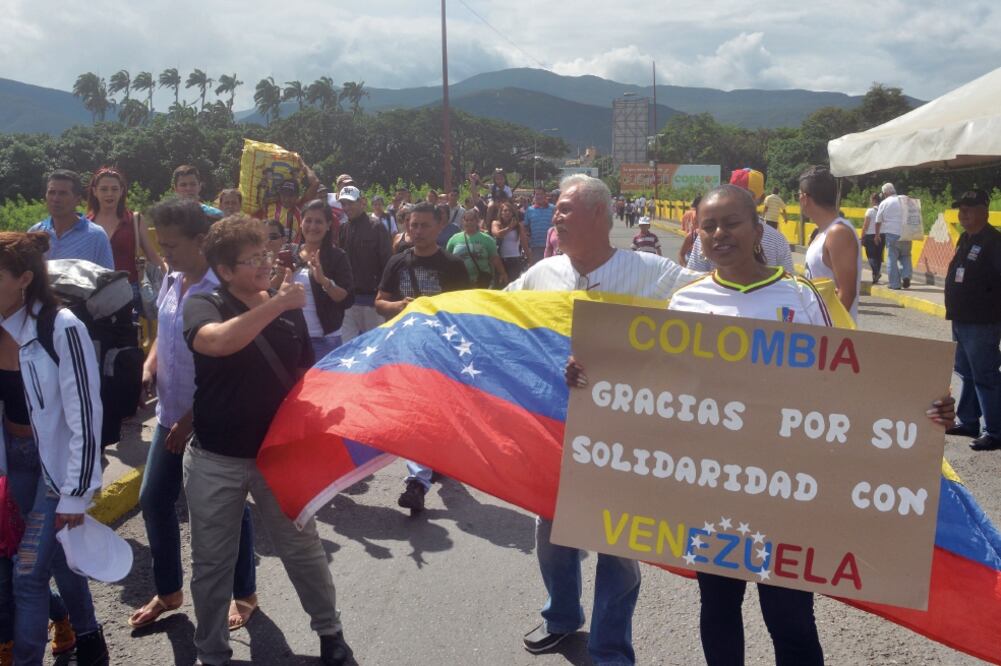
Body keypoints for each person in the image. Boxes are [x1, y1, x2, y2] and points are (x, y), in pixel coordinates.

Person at [565, 184, 956, 666]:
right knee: (719, 608)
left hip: (787, 489)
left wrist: (923, 408)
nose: (718, 233)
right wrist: (593, 379)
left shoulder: (802, 297)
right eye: (708, 225)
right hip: (712, 487)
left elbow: (848, 387)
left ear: (757, 229)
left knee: (790, 617)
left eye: (730, 222)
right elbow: (654, 390)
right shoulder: (686, 302)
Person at [507, 174, 700, 666]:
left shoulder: (652, 274)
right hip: (556, 432)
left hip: (624, 440)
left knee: (617, 547)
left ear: (600, 215)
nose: (556, 216)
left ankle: (610, 649)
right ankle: (562, 618)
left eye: (567, 209)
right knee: (552, 533)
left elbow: (714, 313)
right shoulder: (541, 274)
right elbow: (495, 317)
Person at [182, 215, 353, 666]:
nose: (263, 263)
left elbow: (300, 376)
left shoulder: (285, 307)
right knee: (212, 562)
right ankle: (212, 651)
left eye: (264, 253)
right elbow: (217, 343)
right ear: (224, 270)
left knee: (302, 548)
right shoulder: (204, 303)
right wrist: (277, 304)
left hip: (276, 456)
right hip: (215, 457)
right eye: (251, 258)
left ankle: (330, 632)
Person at [129, 199, 261, 634]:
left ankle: (244, 593)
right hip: (170, 416)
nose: (164, 253)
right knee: (152, 501)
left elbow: (232, 366)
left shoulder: (222, 291)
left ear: (201, 241)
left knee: (226, 511)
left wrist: (192, 418)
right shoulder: (171, 277)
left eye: (172, 245)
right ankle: (169, 591)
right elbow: (165, 336)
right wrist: (150, 366)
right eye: (159, 243)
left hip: (210, 422)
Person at [0, 232, 109, 666]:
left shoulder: (61, 327)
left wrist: (76, 492)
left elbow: (87, 414)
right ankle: (89, 635)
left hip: (57, 471)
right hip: (16, 463)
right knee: (58, 559)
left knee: (27, 576)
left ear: (24, 278)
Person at [375, 202, 469, 512]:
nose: (417, 231)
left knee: (436, 412)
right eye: (412, 225)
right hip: (407, 348)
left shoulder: (453, 265)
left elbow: (465, 311)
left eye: (424, 226)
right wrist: (400, 306)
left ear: (439, 227)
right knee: (417, 412)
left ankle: (432, 461)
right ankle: (417, 481)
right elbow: (380, 303)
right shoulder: (397, 263)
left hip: (441, 350)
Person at [944, 189, 1001, 451]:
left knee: (985, 375)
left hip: (982, 321)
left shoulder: (994, 242)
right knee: (966, 373)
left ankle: (995, 430)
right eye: (960, 208)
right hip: (961, 318)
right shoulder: (965, 239)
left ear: (984, 211)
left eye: (968, 208)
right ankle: (969, 421)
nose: (962, 213)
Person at [85, 166, 166, 315]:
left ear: (122, 191)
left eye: (114, 189)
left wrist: (171, 281)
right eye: (104, 189)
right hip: (94, 292)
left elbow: (151, 255)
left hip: (129, 291)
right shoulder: (85, 224)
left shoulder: (134, 220)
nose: (109, 194)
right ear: (94, 191)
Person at [289, 200, 355, 359]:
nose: (312, 226)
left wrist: (324, 281)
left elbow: (346, 299)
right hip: (291, 338)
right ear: (301, 222)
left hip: (323, 340)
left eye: (319, 221)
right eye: (308, 220)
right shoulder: (288, 253)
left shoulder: (337, 257)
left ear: (328, 225)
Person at [799, 166, 861, 320]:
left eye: (798, 195)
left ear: (804, 199)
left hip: (830, 336)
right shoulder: (823, 232)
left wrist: (826, 330)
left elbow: (846, 293)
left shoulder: (838, 233)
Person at [337, 185, 392, 342]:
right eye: (343, 204)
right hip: (348, 301)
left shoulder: (377, 227)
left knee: (374, 347)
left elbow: (388, 264)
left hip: (371, 301)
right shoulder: (343, 229)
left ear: (362, 202)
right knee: (347, 349)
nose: (346, 207)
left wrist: (383, 297)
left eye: (350, 203)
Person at [28, 170, 114, 269]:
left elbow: (109, 279)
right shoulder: (34, 233)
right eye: (51, 192)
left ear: (77, 200)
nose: (55, 199)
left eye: (63, 193)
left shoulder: (95, 236)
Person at [446, 208, 508, 288]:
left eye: (472, 220)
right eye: (466, 220)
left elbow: (495, 258)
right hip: (460, 282)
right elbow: (448, 258)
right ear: (462, 221)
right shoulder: (454, 239)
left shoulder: (487, 239)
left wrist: (503, 273)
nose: (469, 222)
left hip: (481, 282)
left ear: (477, 221)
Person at [874, 182, 913, 290]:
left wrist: (877, 235)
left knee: (892, 258)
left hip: (892, 234)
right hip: (907, 232)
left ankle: (895, 284)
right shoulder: (904, 198)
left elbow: (878, 221)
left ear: (885, 193)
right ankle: (906, 276)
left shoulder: (884, 203)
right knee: (906, 256)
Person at [492, 200, 530, 282]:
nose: (507, 213)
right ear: (501, 212)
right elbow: (497, 234)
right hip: (500, 260)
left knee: (513, 285)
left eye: (510, 211)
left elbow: (524, 245)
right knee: (500, 286)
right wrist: (509, 227)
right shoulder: (496, 223)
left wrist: (531, 261)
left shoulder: (518, 226)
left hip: (515, 260)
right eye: (505, 210)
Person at [524, 187, 556, 265]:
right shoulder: (529, 210)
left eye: (541, 194)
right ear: (534, 196)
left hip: (552, 246)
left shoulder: (553, 209)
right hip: (535, 247)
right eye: (537, 194)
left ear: (545, 195)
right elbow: (526, 227)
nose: (539, 196)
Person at [860, 191, 884, 284]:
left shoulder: (870, 211)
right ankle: (875, 276)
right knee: (878, 255)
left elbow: (865, 225)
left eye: (871, 199)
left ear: (874, 200)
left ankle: (876, 272)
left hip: (870, 236)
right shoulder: (883, 210)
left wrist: (862, 237)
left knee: (871, 256)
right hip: (882, 235)